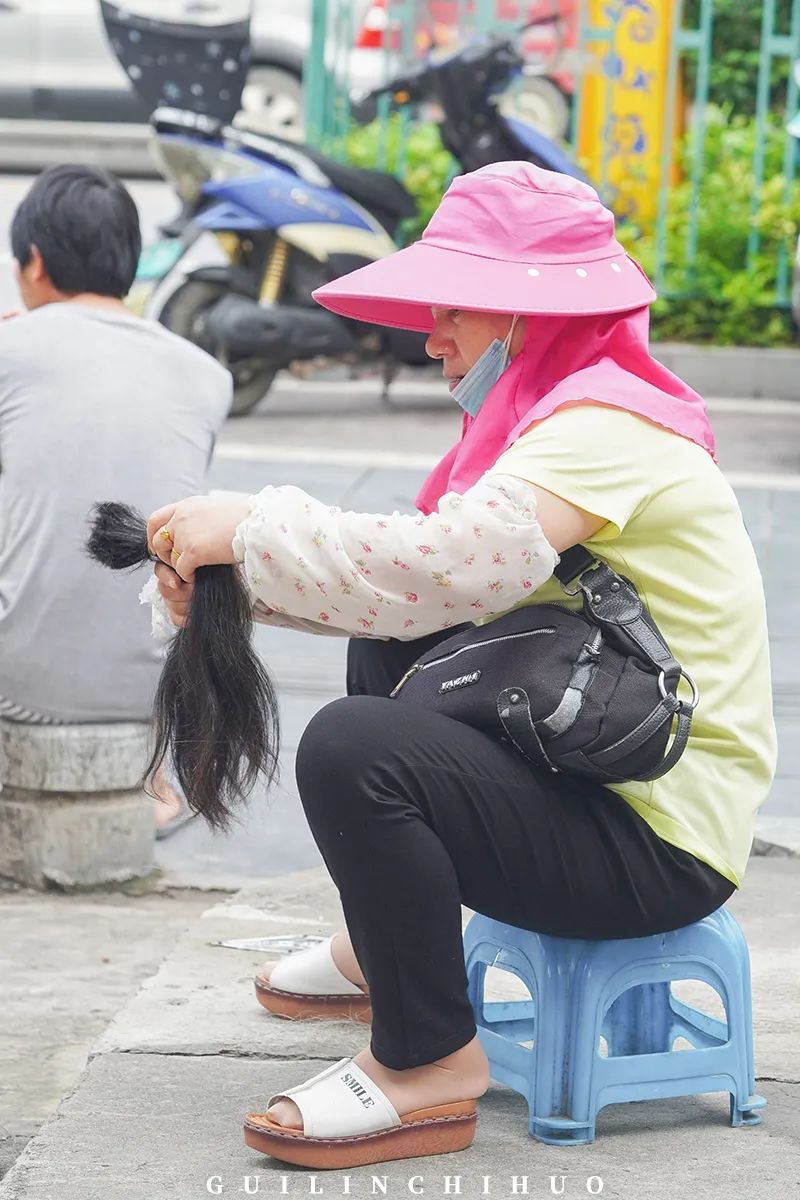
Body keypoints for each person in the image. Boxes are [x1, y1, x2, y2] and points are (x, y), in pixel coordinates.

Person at [146, 162, 777, 1167]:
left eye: (454, 310)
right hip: (599, 773)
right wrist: (241, 579)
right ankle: (386, 949)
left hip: (656, 839)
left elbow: (442, 562)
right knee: (389, 644)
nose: (431, 336)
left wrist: (254, 528)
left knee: (354, 747)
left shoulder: (604, 430)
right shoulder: (557, 422)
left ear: (530, 312)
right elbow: (410, 591)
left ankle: (426, 1064)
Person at [0, 164, 231, 835]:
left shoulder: (10, 347)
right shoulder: (207, 376)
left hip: (20, 683)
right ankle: (154, 775)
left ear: (34, 261)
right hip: (155, 689)